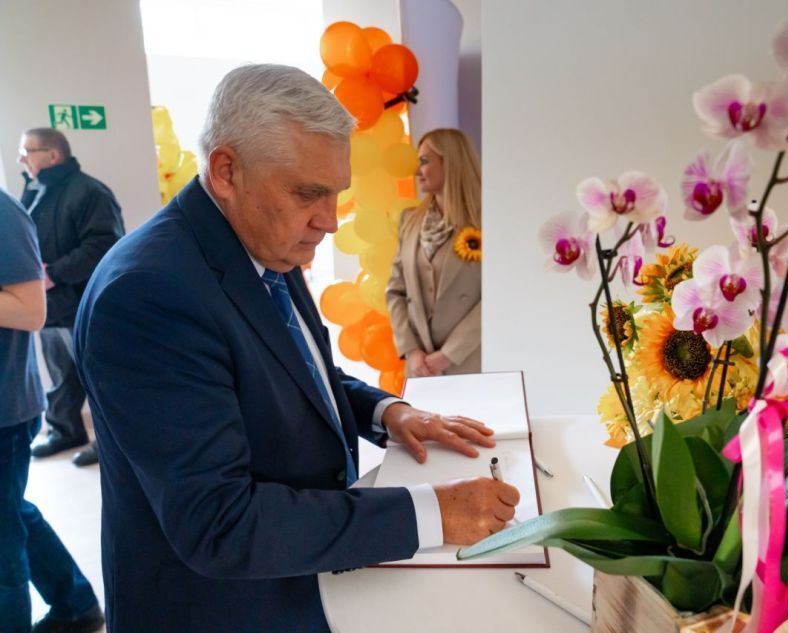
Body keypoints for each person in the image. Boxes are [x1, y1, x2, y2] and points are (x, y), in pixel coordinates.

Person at [73, 64, 519, 633]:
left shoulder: (259, 235)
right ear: (226, 171)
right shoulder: (149, 293)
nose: (329, 221)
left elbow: (296, 370)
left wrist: (387, 412)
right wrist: (434, 511)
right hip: (224, 611)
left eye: (336, 193)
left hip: (298, 580)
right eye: (310, 194)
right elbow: (222, 524)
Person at [0, 188, 104, 633]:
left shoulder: (3, 212)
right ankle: (75, 603)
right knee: (9, 512)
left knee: (2, 537)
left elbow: (30, 311)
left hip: (5, 410)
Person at [18, 128, 124, 467]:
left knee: (99, 378)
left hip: (83, 303)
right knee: (61, 375)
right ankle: (65, 431)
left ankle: (110, 444)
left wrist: (53, 274)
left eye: (27, 151)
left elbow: (104, 246)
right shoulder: (35, 191)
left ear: (52, 155)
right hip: (51, 306)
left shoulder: (90, 192)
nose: (21, 158)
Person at [386, 128, 482, 378]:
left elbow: (496, 296)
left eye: (424, 161)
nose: (417, 171)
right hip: (420, 368)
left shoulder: (485, 221)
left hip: (470, 364)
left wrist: (449, 354)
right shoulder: (409, 221)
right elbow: (396, 291)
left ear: (451, 162)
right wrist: (411, 351)